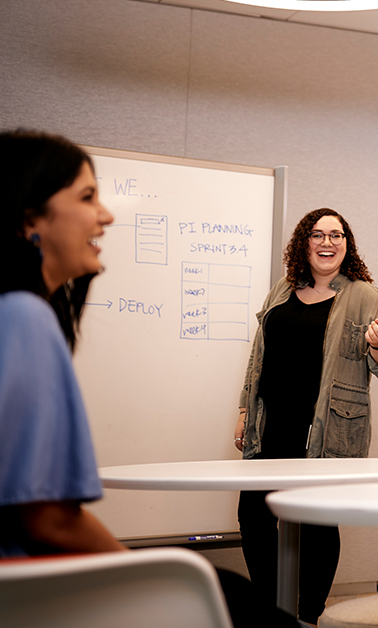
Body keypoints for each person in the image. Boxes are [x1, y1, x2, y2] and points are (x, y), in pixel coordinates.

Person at [0, 129, 292, 628]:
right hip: (33, 591)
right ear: (30, 218)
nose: (106, 215)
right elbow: (48, 520)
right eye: (87, 197)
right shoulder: (25, 317)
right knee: (235, 600)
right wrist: (146, 577)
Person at [234, 207, 378, 625]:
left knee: (317, 523)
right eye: (318, 235)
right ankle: (274, 611)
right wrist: (244, 410)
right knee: (253, 517)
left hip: (327, 429)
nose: (328, 242)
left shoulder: (365, 295)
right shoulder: (283, 289)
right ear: (303, 243)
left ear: (347, 244)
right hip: (271, 424)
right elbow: (258, 356)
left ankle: (308, 614)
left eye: (336, 235)